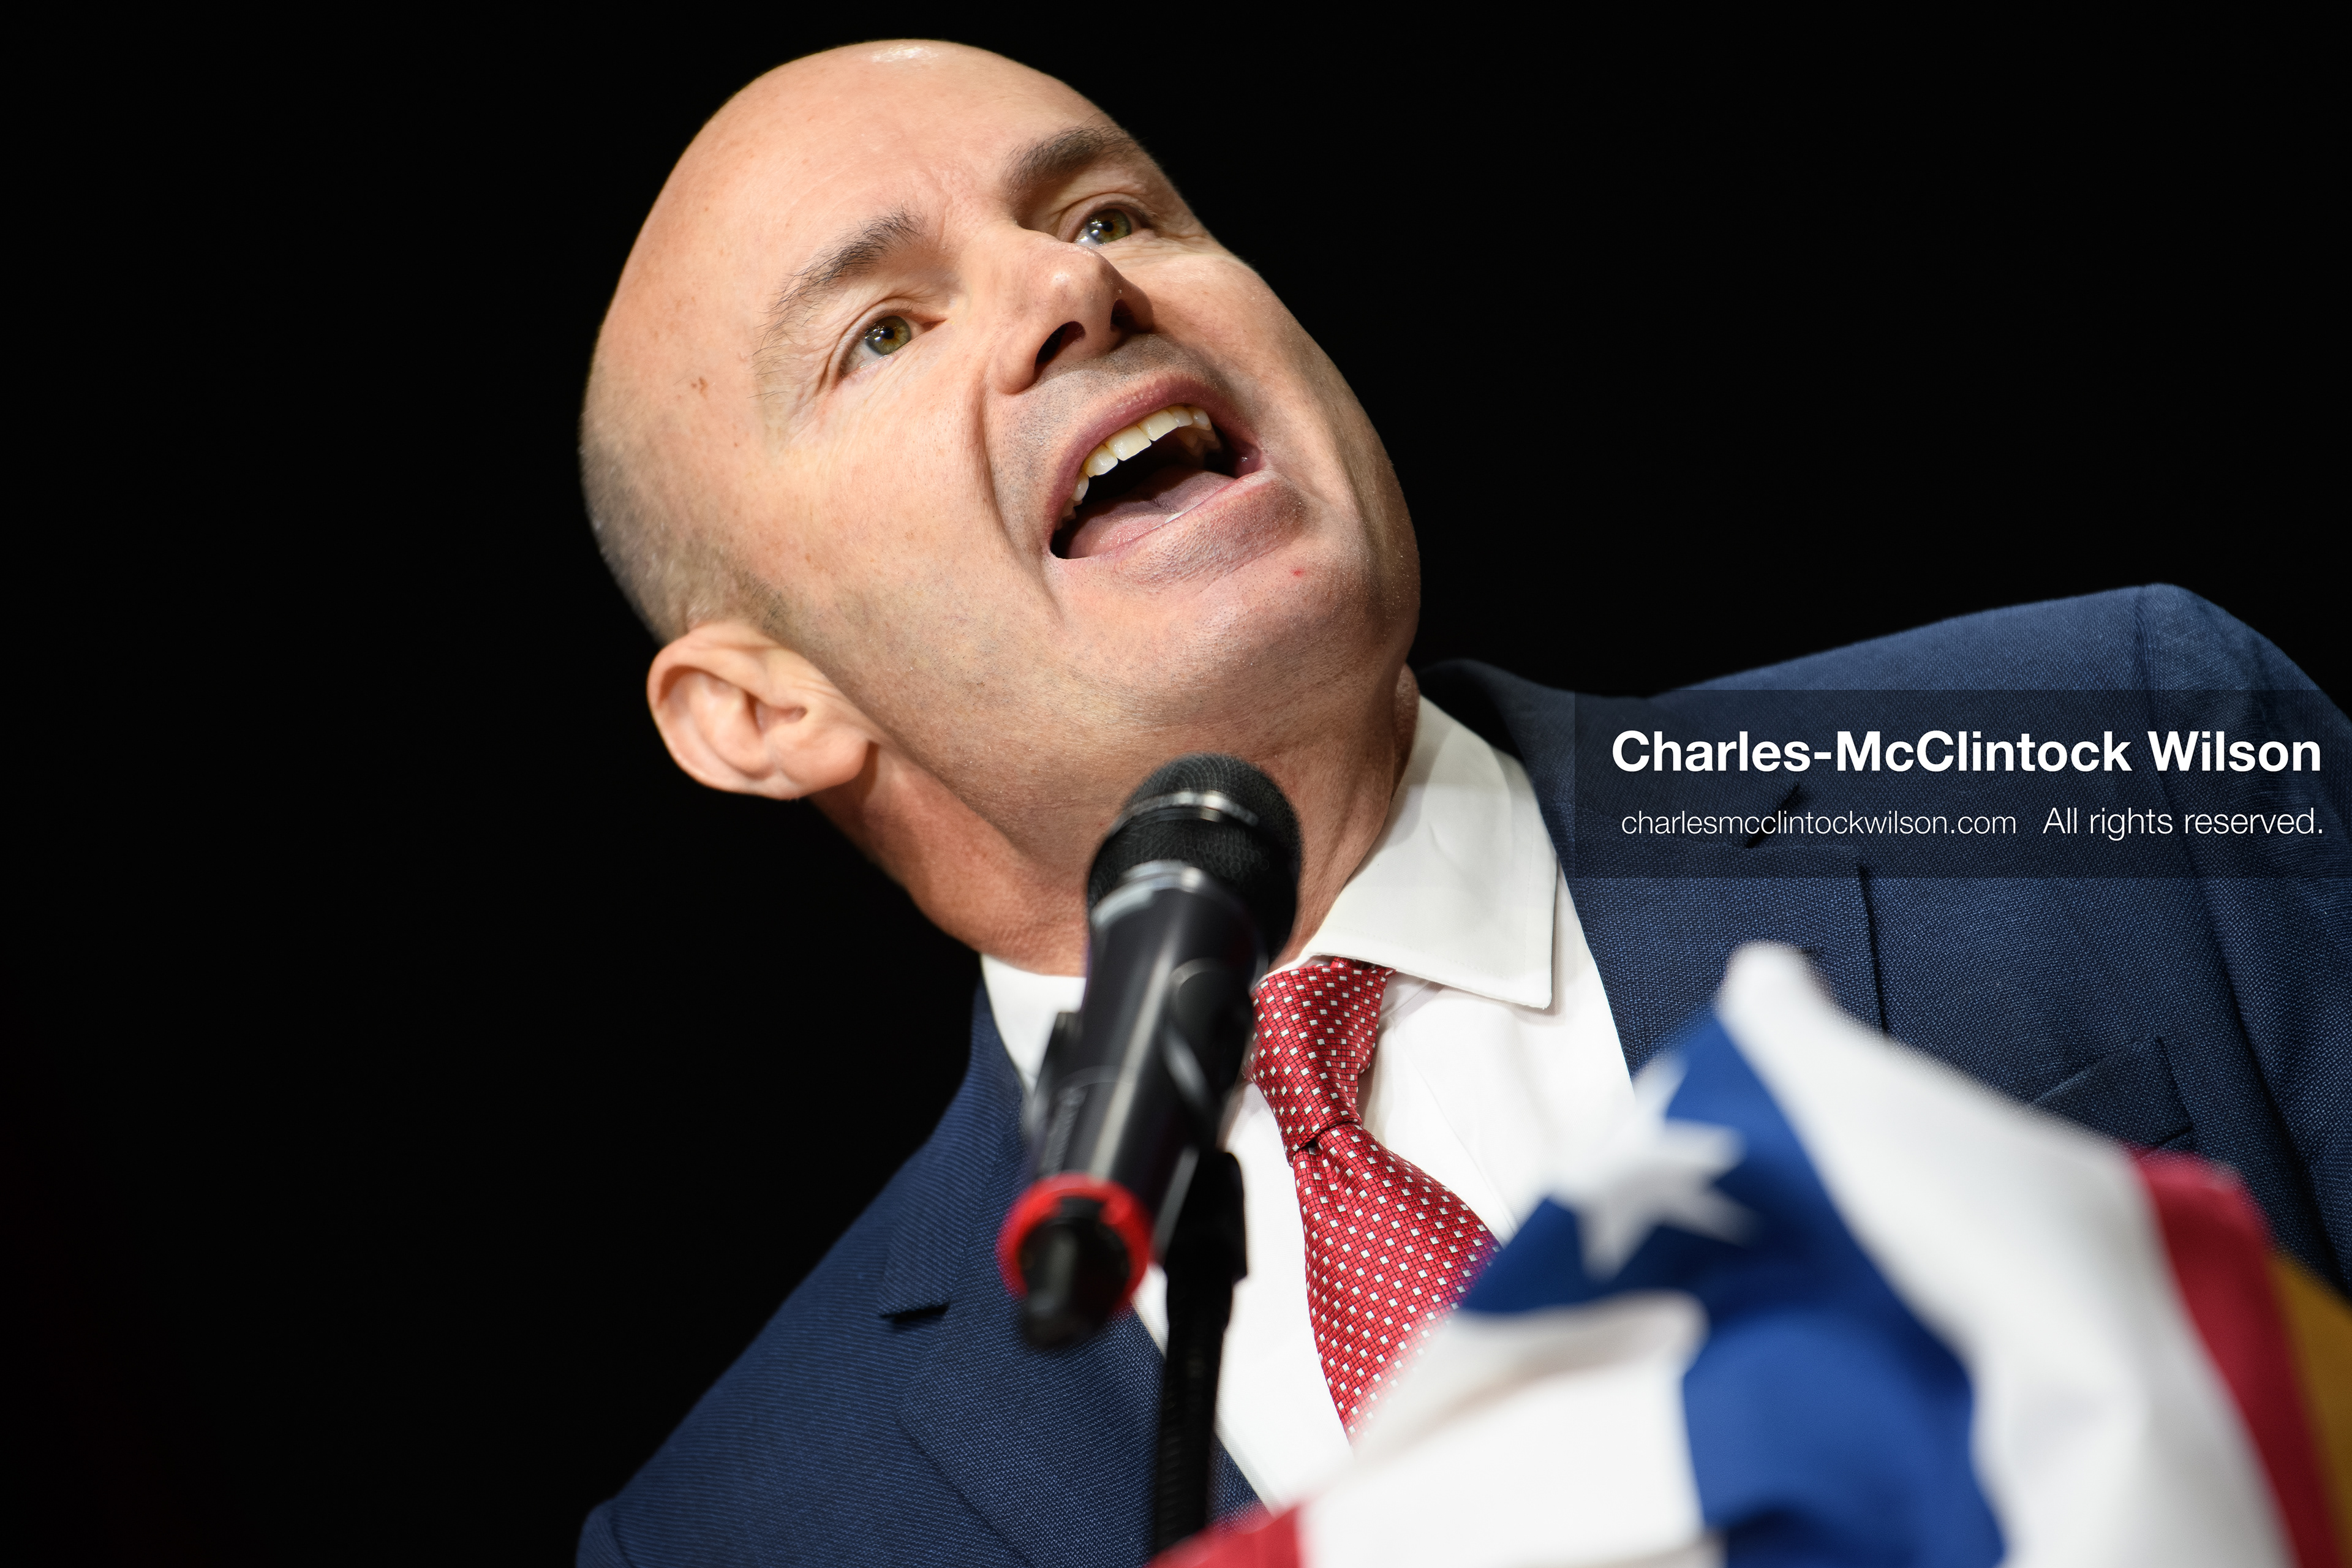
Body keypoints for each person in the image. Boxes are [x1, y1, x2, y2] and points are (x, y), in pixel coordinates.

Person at [574, 41, 2346, 1568]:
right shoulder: (748, 1524)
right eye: (883, 330)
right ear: (759, 709)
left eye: (1107, 212)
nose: (1071, 293)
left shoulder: (2120, 758)